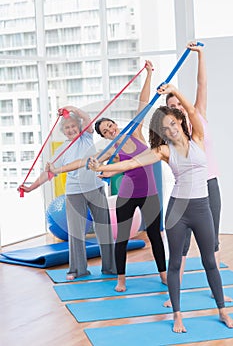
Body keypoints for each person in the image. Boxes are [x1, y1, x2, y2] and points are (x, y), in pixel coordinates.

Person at [88, 83, 233, 333]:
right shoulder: (163, 150)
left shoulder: (197, 137)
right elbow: (130, 164)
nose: (171, 130)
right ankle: (177, 315)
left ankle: (222, 311)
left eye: (173, 124)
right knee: (175, 263)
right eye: (165, 129)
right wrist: (100, 169)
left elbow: (191, 108)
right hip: (178, 210)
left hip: (201, 208)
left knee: (210, 260)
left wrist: (175, 89)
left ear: (180, 121)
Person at [47, 61, 167, 292]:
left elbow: (143, 104)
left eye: (111, 126)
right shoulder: (110, 150)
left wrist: (149, 74)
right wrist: (60, 169)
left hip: (150, 194)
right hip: (126, 197)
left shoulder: (136, 132)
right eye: (105, 131)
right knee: (121, 239)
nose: (110, 130)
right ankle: (120, 279)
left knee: (155, 236)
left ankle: (163, 274)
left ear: (115, 124)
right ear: (103, 135)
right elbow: (84, 162)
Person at [164, 41, 232, 306]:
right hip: (184, 193)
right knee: (180, 246)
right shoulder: (172, 134)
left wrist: (201, 54)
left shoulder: (198, 116)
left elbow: (202, 86)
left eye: (179, 103)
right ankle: (175, 293)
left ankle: (217, 292)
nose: (178, 107)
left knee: (211, 242)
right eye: (172, 105)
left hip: (209, 186)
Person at [18, 106, 116, 280]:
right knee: (75, 232)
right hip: (74, 192)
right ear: (63, 131)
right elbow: (50, 172)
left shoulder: (86, 137)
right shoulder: (62, 150)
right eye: (67, 127)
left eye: (73, 126)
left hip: (95, 187)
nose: (71, 130)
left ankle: (111, 268)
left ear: (79, 127)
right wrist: (31, 187)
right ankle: (78, 270)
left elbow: (86, 117)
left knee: (104, 229)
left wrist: (70, 109)